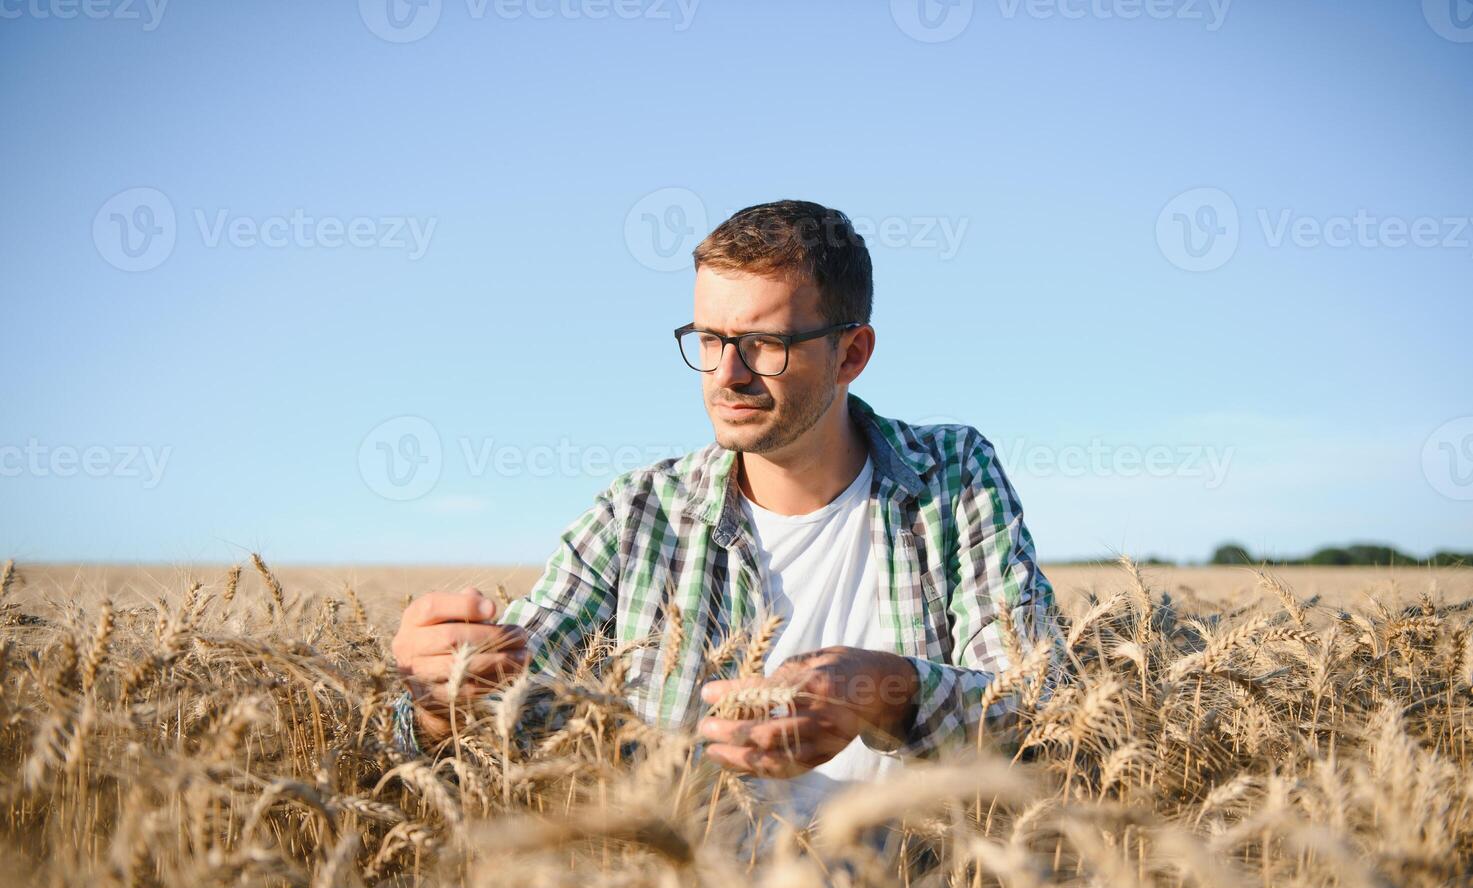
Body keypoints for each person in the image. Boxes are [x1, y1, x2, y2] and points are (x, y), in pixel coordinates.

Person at [389, 199, 1066, 825]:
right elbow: (514, 694)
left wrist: (888, 691)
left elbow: (1042, 712)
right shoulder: (639, 515)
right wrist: (442, 697)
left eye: (764, 344)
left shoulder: (950, 479)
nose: (727, 374)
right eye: (709, 340)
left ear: (850, 354)